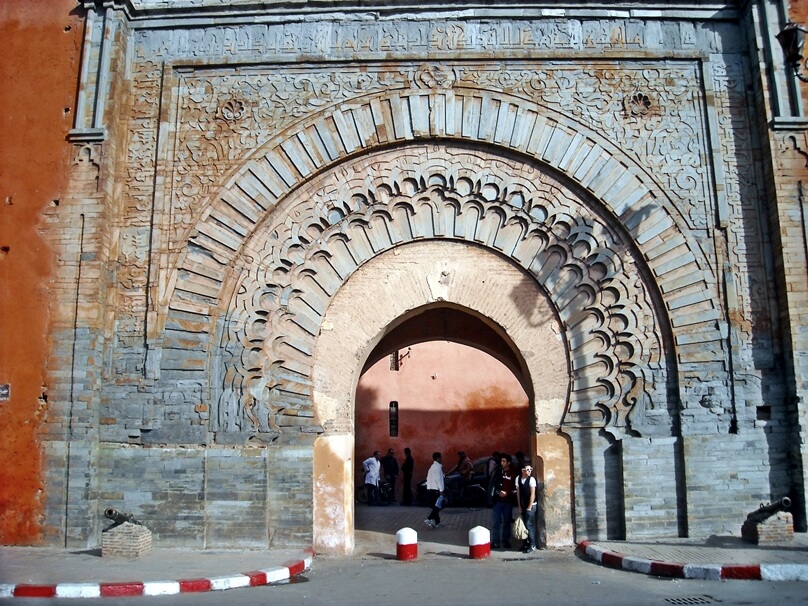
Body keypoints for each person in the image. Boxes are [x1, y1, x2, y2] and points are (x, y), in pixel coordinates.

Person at [489, 453, 516, 549]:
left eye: (504, 461)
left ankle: (506, 541)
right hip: (497, 501)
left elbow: (515, 488)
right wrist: (497, 492)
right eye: (501, 461)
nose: (502, 463)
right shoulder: (498, 472)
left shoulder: (513, 473)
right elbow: (492, 484)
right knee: (496, 522)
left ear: (509, 463)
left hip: (508, 501)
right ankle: (495, 541)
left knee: (507, 522)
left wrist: (507, 493)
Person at [516, 464, 538, 553]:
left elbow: (533, 494)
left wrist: (529, 506)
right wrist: (519, 505)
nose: (529, 471)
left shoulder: (531, 480)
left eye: (530, 470)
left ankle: (532, 544)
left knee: (529, 525)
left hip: (531, 506)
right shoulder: (518, 479)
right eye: (527, 470)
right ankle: (525, 544)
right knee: (524, 525)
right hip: (523, 505)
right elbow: (518, 493)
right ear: (523, 470)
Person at [424, 452, 444, 528]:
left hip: (432, 489)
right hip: (436, 489)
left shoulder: (432, 467)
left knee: (436, 506)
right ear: (437, 458)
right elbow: (438, 479)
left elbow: (428, 478)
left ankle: (437, 522)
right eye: (440, 457)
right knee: (437, 506)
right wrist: (441, 489)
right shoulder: (437, 467)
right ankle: (429, 519)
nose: (442, 459)